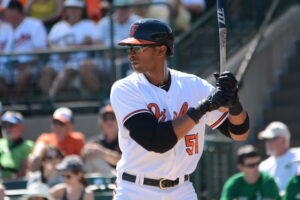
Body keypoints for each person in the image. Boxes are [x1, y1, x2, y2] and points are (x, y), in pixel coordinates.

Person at [110, 18, 250, 200]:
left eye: (138, 48)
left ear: (161, 50)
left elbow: (239, 133)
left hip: (181, 189)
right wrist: (203, 107)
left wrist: (234, 104)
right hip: (136, 189)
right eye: (130, 48)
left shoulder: (193, 85)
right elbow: (157, 142)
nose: (131, 54)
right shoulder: (125, 88)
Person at [38, 0, 101, 101]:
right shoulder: (58, 26)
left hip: (78, 62)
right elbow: (49, 43)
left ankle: (50, 98)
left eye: (76, 9)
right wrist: (60, 51)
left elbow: (94, 42)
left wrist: (77, 47)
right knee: (46, 71)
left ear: (82, 11)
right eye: (70, 9)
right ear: (66, 11)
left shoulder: (89, 24)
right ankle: (46, 98)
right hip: (57, 60)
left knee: (67, 70)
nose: (73, 12)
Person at [1, 0, 47, 100]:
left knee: (25, 74)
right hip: (5, 67)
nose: (1, 14)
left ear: (15, 11)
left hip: (29, 66)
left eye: (4, 12)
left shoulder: (35, 25)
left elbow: (40, 52)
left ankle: (16, 103)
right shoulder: (3, 27)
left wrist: (28, 64)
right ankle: (10, 102)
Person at [29, 107, 85, 172]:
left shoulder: (77, 139)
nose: (57, 126)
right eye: (55, 122)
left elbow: (83, 162)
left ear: (70, 126)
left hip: (70, 176)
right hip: (50, 177)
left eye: (61, 124)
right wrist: (36, 156)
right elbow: (36, 154)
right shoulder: (45, 138)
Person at [258, 121, 300, 194]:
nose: (268, 143)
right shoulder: (263, 166)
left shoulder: (298, 155)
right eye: (266, 139)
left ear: (284, 140)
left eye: (272, 139)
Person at [81, 104, 121, 175]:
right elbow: (83, 157)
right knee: (90, 155)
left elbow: (123, 161)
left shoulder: (124, 140)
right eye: (105, 119)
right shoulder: (95, 141)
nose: (109, 122)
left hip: (119, 176)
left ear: (118, 121)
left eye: (112, 118)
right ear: (101, 124)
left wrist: (102, 152)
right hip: (97, 177)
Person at [0, 111, 34, 180]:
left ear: (21, 127)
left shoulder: (28, 145)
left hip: (17, 184)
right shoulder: (0, 142)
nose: (7, 128)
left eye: (11, 125)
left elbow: (28, 168)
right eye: (5, 125)